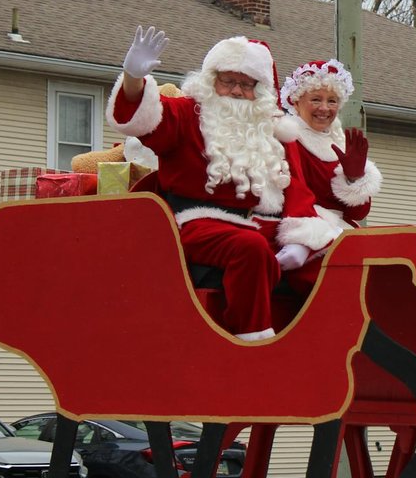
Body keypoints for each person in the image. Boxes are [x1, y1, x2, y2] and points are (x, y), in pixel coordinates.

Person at [107, 26, 340, 340]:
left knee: (337, 258)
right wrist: (134, 78)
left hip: (265, 226)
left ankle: (338, 338)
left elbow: (296, 189)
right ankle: (254, 338)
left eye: (247, 84)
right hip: (199, 222)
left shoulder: (271, 130)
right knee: (250, 249)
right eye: (228, 81)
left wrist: (303, 241)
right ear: (210, 80)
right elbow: (142, 120)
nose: (237, 91)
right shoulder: (189, 114)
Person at [279, 59, 382, 237]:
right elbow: (290, 198)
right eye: (316, 99)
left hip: (341, 232)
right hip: (305, 232)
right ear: (296, 103)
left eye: (332, 101)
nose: (324, 108)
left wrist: (354, 178)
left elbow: (358, 214)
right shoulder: (288, 140)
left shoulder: (340, 143)